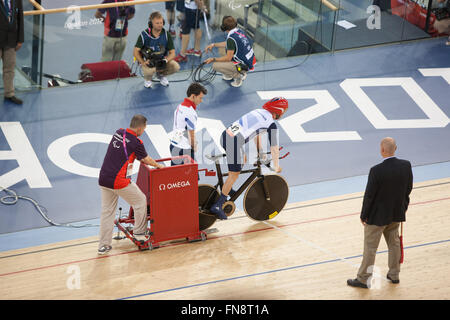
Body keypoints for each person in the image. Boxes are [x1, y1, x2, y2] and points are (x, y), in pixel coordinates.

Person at [347, 137, 413, 288]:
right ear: (395, 149)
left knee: (370, 248)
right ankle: (394, 274)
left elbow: (369, 195)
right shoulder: (406, 165)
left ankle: (363, 279)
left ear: (382, 150)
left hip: (377, 217)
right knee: (394, 244)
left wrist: (364, 215)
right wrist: (403, 207)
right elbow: (408, 189)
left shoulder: (376, 170)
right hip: (396, 213)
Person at [209, 97, 288, 220]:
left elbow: (257, 134)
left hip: (225, 135)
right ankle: (218, 205)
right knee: (234, 174)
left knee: (243, 159)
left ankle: (228, 189)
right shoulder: (271, 124)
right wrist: (276, 166)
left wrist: (260, 152)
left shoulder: (258, 111)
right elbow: (274, 148)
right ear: (279, 111)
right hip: (233, 142)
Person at [98, 114, 164, 255]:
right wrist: (159, 166)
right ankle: (139, 233)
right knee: (140, 200)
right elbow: (146, 159)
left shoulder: (119, 132)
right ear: (140, 128)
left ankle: (103, 245)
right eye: (144, 129)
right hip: (119, 181)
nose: (144, 132)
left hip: (104, 179)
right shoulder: (136, 142)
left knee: (107, 212)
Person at [204, 15, 256, 88]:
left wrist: (213, 59)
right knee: (222, 51)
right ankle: (230, 72)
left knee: (215, 65)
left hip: (243, 65)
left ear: (224, 27)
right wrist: (213, 45)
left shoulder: (231, 39)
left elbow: (228, 58)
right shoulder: (238, 31)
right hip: (248, 60)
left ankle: (239, 76)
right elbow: (228, 44)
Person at [133, 11, 180, 89]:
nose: (160, 25)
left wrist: (165, 60)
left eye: (161, 23)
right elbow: (135, 51)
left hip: (162, 60)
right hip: (149, 61)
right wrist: (143, 62)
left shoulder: (166, 34)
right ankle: (148, 79)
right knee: (149, 71)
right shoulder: (144, 35)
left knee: (175, 67)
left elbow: (173, 53)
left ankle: (161, 75)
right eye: (157, 23)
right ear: (151, 24)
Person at [169, 82, 207, 166]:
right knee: (192, 178)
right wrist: (194, 146)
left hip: (174, 145)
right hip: (184, 150)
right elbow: (191, 134)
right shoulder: (190, 112)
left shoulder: (180, 106)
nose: (201, 101)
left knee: (175, 178)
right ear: (193, 96)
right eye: (200, 98)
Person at [1, 0, 24, 105]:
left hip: (11, 40)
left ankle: (9, 94)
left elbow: (20, 19)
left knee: (9, 69)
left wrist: (20, 39)